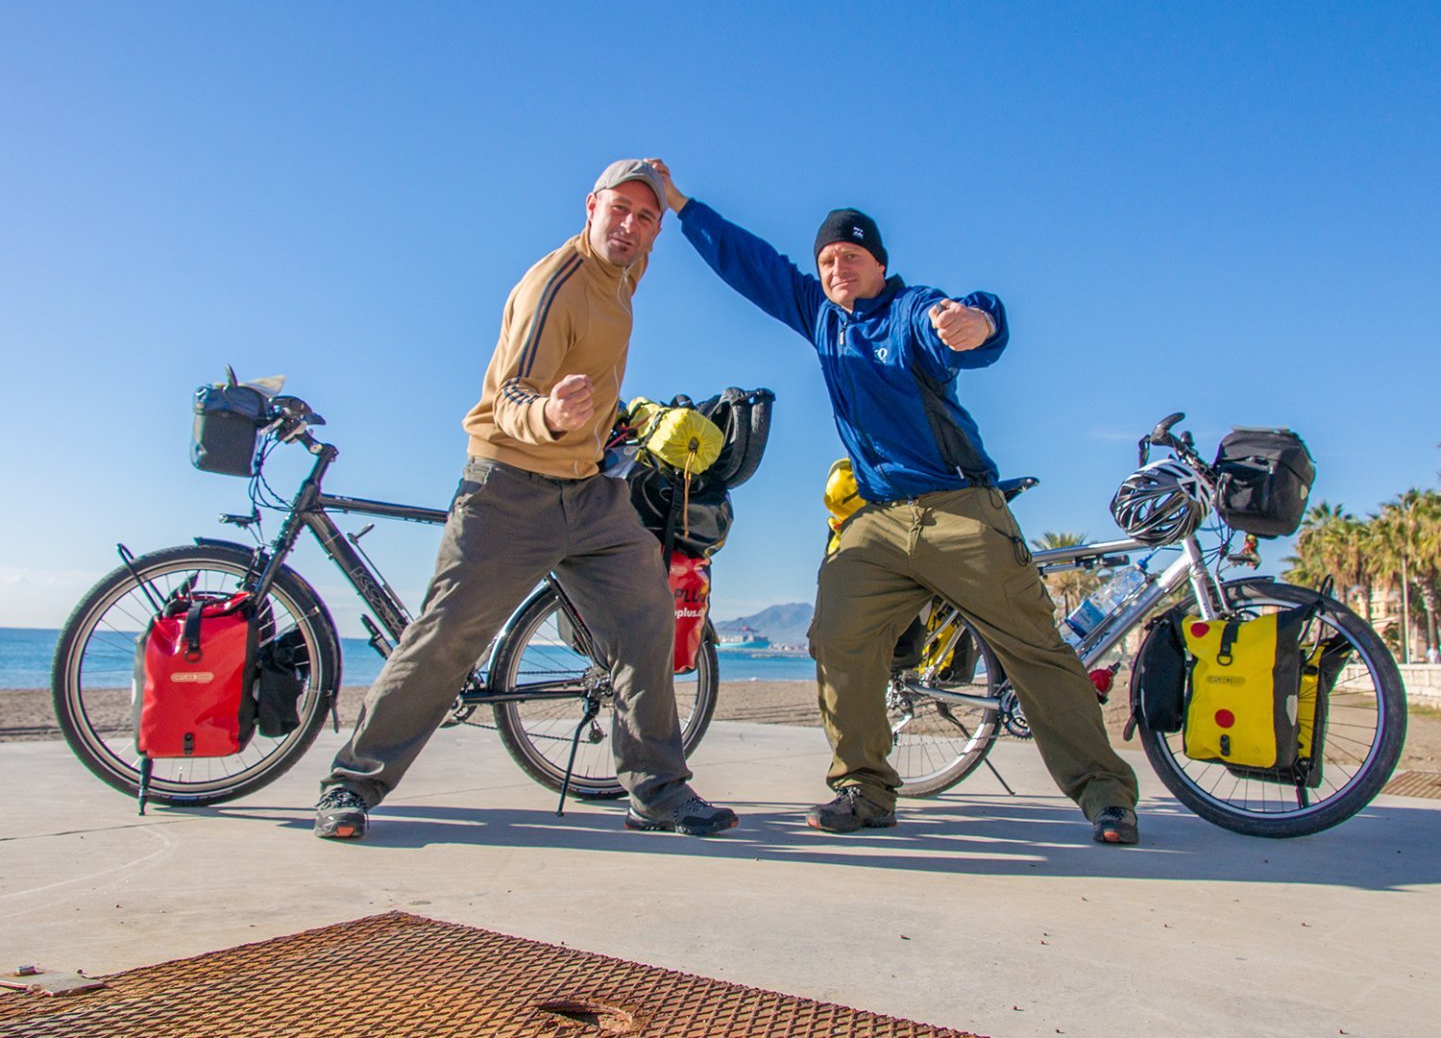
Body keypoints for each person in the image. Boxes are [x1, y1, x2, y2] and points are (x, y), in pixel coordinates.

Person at [647, 160, 1140, 845]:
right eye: (826, 258)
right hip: (875, 521)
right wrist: (678, 204)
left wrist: (977, 324)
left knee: (1032, 650)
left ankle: (1106, 795)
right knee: (836, 638)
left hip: (959, 511)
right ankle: (864, 790)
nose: (836, 267)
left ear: (879, 264)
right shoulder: (820, 317)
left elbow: (966, 321)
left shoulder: (911, 312)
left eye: (850, 255)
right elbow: (750, 263)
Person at [314, 159, 738, 841]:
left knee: (646, 621)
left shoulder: (626, 268)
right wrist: (548, 415)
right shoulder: (557, 285)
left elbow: (645, 238)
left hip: (592, 493)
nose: (629, 226)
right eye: (618, 211)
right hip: (510, 487)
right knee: (448, 639)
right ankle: (351, 786)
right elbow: (510, 393)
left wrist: (676, 198)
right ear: (589, 206)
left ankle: (658, 793)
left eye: (645, 216)